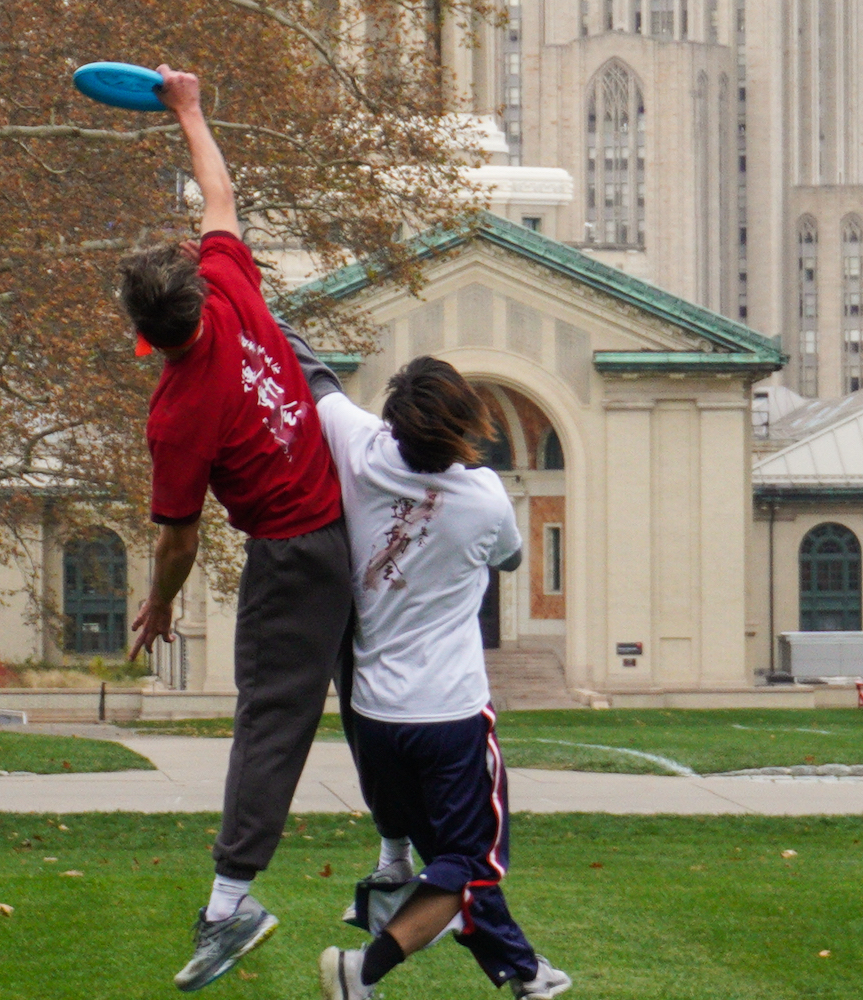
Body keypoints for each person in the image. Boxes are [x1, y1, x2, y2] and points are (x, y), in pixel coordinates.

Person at [118, 66, 353, 992]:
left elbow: (178, 537)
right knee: (377, 688)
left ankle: (229, 904)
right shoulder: (228, 281)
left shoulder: (176, 412)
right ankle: (402, 855)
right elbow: (218, 190)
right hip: (346, 506)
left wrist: (159, 604)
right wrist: (188, 106)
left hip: (297, 553)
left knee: (271, 720)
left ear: (144, 332)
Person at [281, 334, 573, 1000]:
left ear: (394, 422)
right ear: (468, 425)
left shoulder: (360, 449)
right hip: (450, 717)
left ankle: (528, 974)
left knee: (446, 862)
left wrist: (236, 289)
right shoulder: (486, 497)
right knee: (469, 866)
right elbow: (511, 561)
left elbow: (314, 378)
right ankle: (362, 972)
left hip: (376, 718)